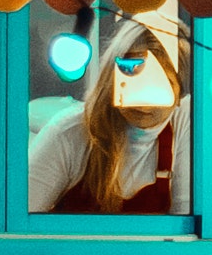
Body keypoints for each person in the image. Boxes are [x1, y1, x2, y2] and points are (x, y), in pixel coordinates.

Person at [29, 14, 191, 213]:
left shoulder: (184, 120)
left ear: (178, 92)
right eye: (133, 80)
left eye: (158, 88)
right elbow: (18, 222)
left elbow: (188, 225)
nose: (144, 102)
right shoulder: (69, 132)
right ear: (112, 80)